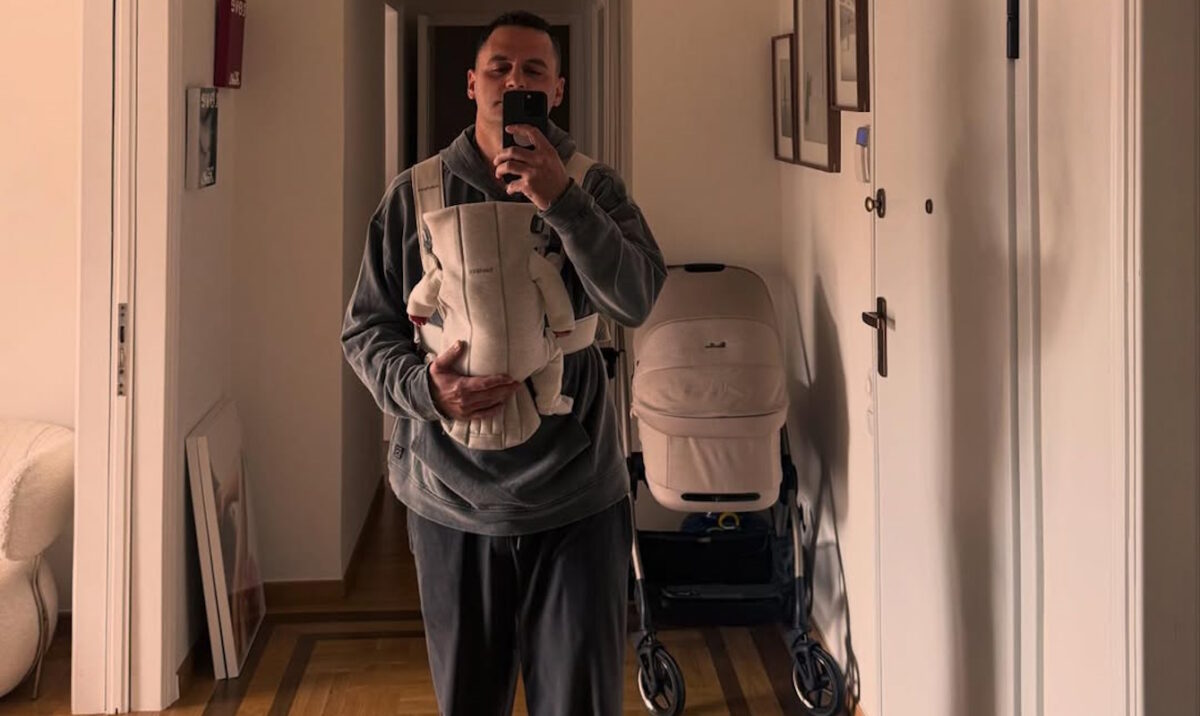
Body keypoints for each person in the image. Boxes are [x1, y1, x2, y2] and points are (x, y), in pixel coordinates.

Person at [341, 10, 666, 716]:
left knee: (579, 702)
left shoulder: (595, 187)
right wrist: (425, 390)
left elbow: (637, 300)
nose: (514, 82)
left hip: (578, 497)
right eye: (500, 69)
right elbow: (365, 331)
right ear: (472, 83)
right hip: (448, 498)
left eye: (533, 71)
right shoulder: (413, 195)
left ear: (557, 90)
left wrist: (564, 203)